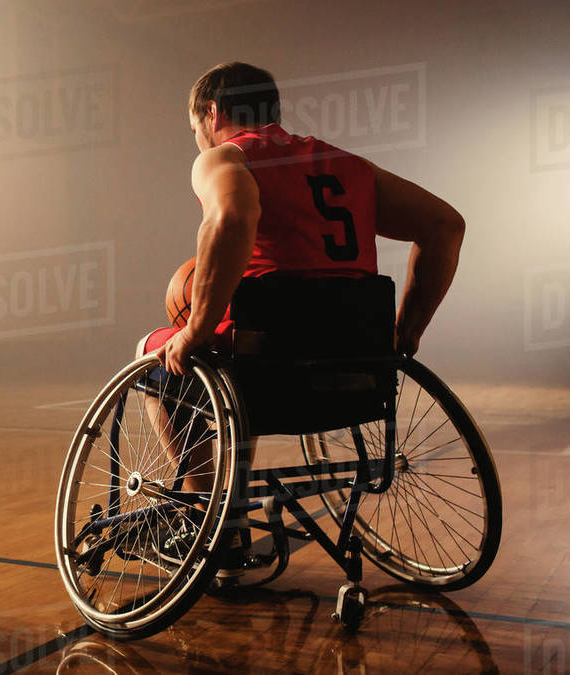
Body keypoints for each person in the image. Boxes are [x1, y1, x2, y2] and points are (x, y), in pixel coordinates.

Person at [139, 62, 465, 576]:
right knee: (227, 342)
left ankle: (211, 525)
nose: (198, 139)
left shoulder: (227, 157)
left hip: (266, 372)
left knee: (156, 351)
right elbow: (446, 225)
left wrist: (195, 330)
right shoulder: (349, 166)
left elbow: (229, 217)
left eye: (195, 128)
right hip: (357, 373)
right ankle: (227, 512)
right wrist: (407, 331)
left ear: (212, 112)